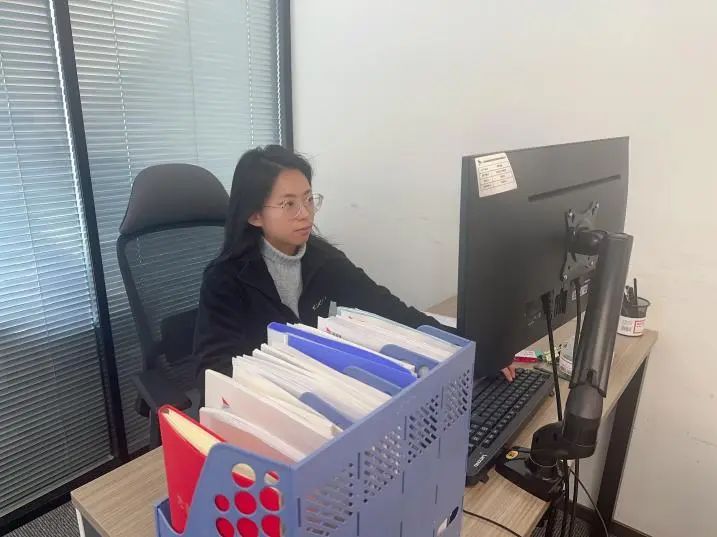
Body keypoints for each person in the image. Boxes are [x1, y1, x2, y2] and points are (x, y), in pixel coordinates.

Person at [193, 145, 516, 382]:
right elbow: (214, 373)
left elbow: (394, 312)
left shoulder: (324, 261)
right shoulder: (225, 280)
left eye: (308, 199)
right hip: (271, 414)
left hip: (333, 402)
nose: (305, 213)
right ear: (254, 215)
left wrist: (471, 351)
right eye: (289, 204)